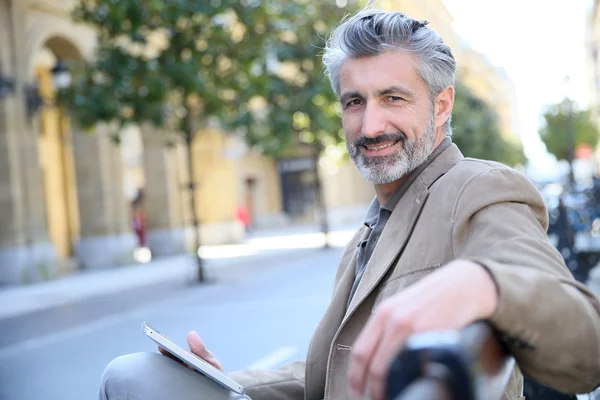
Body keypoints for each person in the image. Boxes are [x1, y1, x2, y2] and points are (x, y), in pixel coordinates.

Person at [99, 8, 600, 400]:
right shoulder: (373, 223)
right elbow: (332, 373)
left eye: (393, 98)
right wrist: (229, 382)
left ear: (442, 105)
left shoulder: (477, 189)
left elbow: (587, 347)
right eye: (354, 102)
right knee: (138, 375)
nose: (369, 126)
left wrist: (484, 283)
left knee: (130, 378)